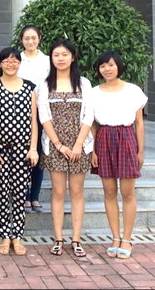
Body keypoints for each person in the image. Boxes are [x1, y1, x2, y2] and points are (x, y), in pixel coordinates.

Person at [37, 39, 94, 258]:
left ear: (72, 57)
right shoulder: (45, 84)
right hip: (55, 146)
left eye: (64, 54)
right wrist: (59, 145)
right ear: (51, 58)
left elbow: (89, 115)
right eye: (56, 55)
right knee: (58, 192)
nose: (60, 59)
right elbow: (44, 116)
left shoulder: (84, 83)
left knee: (77, 192)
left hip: (80, 146)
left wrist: (78, 145)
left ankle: (76, 239)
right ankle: (58, 239)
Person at [91, 51, 147, 260]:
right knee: (109, 191)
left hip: (126, 137)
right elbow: (92, 124)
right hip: (103, 137)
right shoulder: (94, 93)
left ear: (119, 66)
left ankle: (127, 238)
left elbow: (139, 123)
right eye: (103, 66)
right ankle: (115, 237)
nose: (107, 69)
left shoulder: (133, 91)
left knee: (127, 192)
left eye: (111, 65)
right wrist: (93, 149)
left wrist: (140, 150)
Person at [0, 47, 38, 256]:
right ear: (0, 64)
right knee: (2, 191)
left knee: (19, 191)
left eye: (14, 61)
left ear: (19, 63)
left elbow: (34, 120)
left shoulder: (29, 87)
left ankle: (17, 236)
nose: (11, 64)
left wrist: (33, 148)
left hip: (22, 148)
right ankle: (5, 236)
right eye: (7, 61)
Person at [16, 25, 50, 214]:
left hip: (42, 111)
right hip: (19, 112)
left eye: (33, 38)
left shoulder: (47, 61)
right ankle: (23, 195)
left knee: (38, 152)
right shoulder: (17, 60)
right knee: (21, 153)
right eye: (26, 38)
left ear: (39, 38)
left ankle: (34, 196)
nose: (30, 41)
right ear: (21, 40)